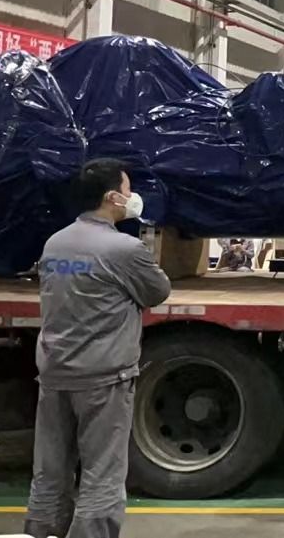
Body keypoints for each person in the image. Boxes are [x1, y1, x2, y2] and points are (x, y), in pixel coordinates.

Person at [24, 158, 172, 538]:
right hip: (103, 377)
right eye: (127, 189)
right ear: (111, 198)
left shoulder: (55, 243)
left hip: (55, 371)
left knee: (50, 471)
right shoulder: (123, 249)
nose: (132, 196)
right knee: (102, 474)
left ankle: (41, 531)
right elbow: (158, 291)